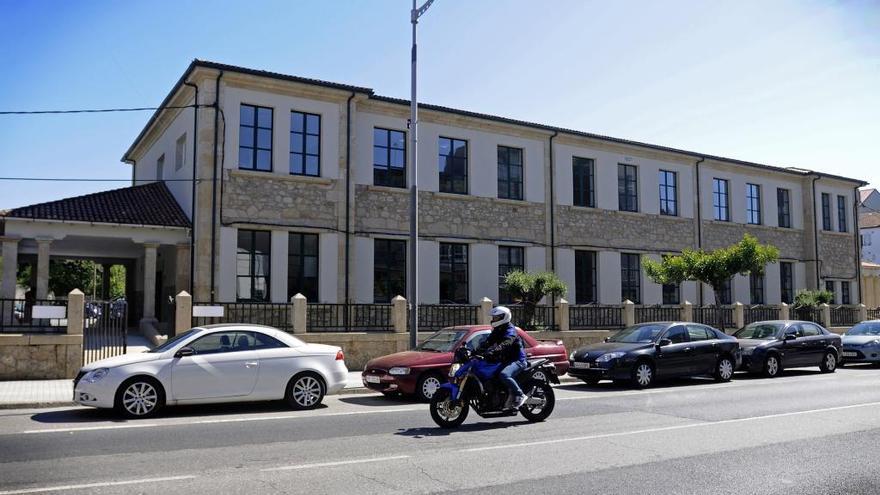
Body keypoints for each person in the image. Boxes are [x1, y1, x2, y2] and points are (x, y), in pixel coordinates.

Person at [477, 306, 527, 410]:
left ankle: (520, 394)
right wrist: (475, 350)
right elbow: (488, 342)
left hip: (518, 360)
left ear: (503, 317)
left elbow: (507, 342)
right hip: (505, 360)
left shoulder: (510, 329)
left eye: (496, 318)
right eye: (493, 317)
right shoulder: (498, 329)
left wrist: (496, 349)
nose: (493, 320)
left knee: (504, 374)